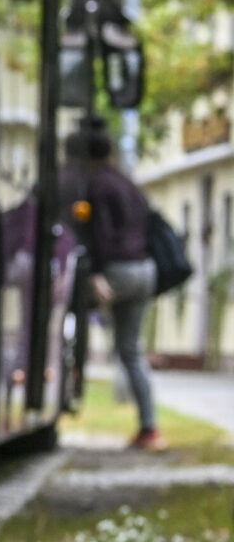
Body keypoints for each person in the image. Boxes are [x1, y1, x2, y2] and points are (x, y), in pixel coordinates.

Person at [69, 118, 164, 449]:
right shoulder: (129, 184)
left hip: (117, 270)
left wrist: (96, 275)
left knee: (60, 296)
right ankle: (149, 428)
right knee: (131, 350)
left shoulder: (96, 186)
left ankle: (57, 370)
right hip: (145, 271)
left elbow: (100, 235)